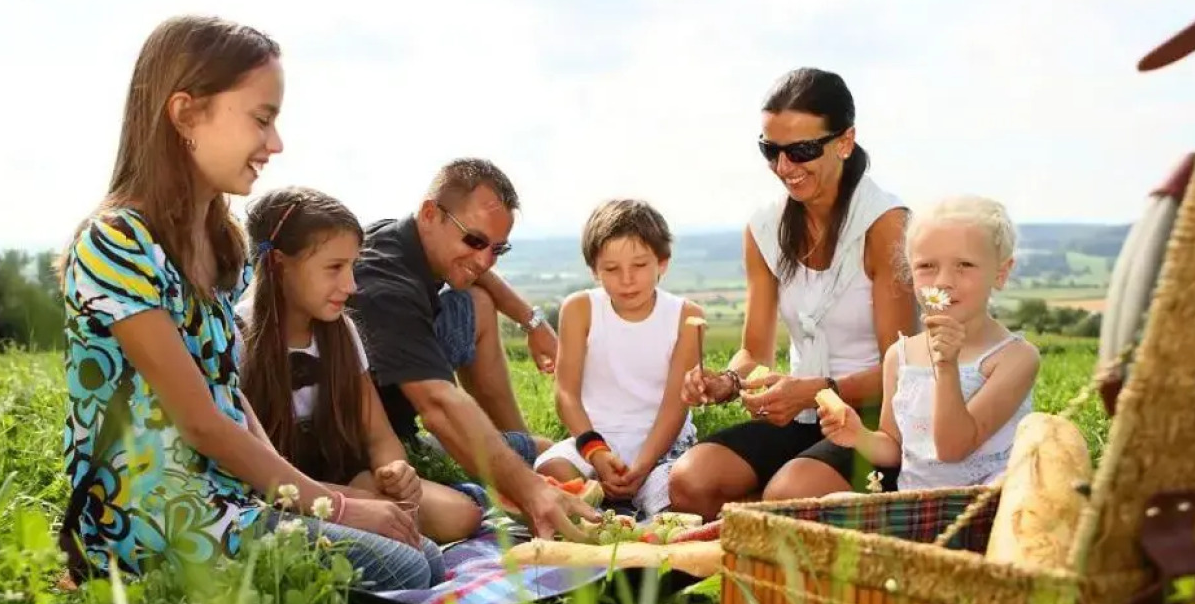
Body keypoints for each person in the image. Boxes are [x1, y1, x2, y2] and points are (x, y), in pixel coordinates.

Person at [57, 16, 442, 591]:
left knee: (426, 554)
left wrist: (308, 499)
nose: (275, 143)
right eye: (262, 120)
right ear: (185, 113)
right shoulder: (116, 243)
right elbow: (201, 420)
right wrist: (334, 507)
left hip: (230, 498)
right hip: (153, 515)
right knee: (407, 566)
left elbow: (228, 394)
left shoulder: (218, 243)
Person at [667, 67, 917, 521]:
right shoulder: (763, 227)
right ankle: (766, 535)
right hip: (803, 417)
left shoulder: (886, 225)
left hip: (875, 426)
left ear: (844, 141)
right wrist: (727, 381)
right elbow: (752, 352)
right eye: (770, 150)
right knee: (691, 479)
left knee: (787, 495)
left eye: (801, 151)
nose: (784, 168)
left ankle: (770, 529)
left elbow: (906, 367)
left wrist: (815, 391)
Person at [346, 158, 600, 541]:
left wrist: (533, 322)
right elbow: (439, 406)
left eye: (498, 248)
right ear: (430, 214)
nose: (484, 259)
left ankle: (510, 448)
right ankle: (506, 475)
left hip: (403, 417)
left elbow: (482, 277)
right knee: (464, 513)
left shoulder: (402, 237)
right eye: (475, 240)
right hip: (370, 450)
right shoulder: (385, 288)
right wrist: (530, 490)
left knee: (477, 302)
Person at [236, 185, 484, 545]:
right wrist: (360, 502)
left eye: (353, 266)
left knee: (461, 515)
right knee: (383, 517)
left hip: (344, 476)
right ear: (278, 265)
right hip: (277, 489)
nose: (351, 285)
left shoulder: (342, 332)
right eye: (334, 268)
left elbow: (379, 436)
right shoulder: (239, 336)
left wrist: (393, 469)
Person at [819, 196, 1040, 488]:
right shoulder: (900, 357)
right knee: (834, 503)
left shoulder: (1014, 358)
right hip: (919, 504)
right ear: (910, 274)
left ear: (1000, 273)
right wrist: (859, 435)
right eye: (927, 266)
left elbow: (953, 449)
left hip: (984, 506)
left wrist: (945, 366)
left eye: (964, 265)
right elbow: (895, 448)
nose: (944, 281)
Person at [534, 199, 702, 517]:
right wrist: (596, 453)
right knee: (549, 471)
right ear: (595, 270)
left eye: (639, 265)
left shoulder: (686, 316)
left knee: (680, 494)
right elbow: (566, 394)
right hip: (596, 442)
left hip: (662, 448)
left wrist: (643, 465)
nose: (626, 279)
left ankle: (627, 505)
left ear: (662, 263)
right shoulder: (579, 309)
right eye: (612, 269)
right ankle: (606, 507)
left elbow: (675, 405)